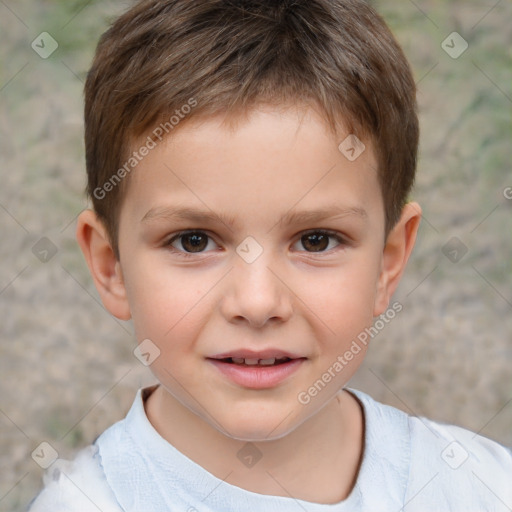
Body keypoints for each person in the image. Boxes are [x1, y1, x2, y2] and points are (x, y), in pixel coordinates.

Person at [28, 0, 512, 510]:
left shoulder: (482, 488)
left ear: (388, 263)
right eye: (194, 240)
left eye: (316, 240)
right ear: (111, 267)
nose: (257, 303)